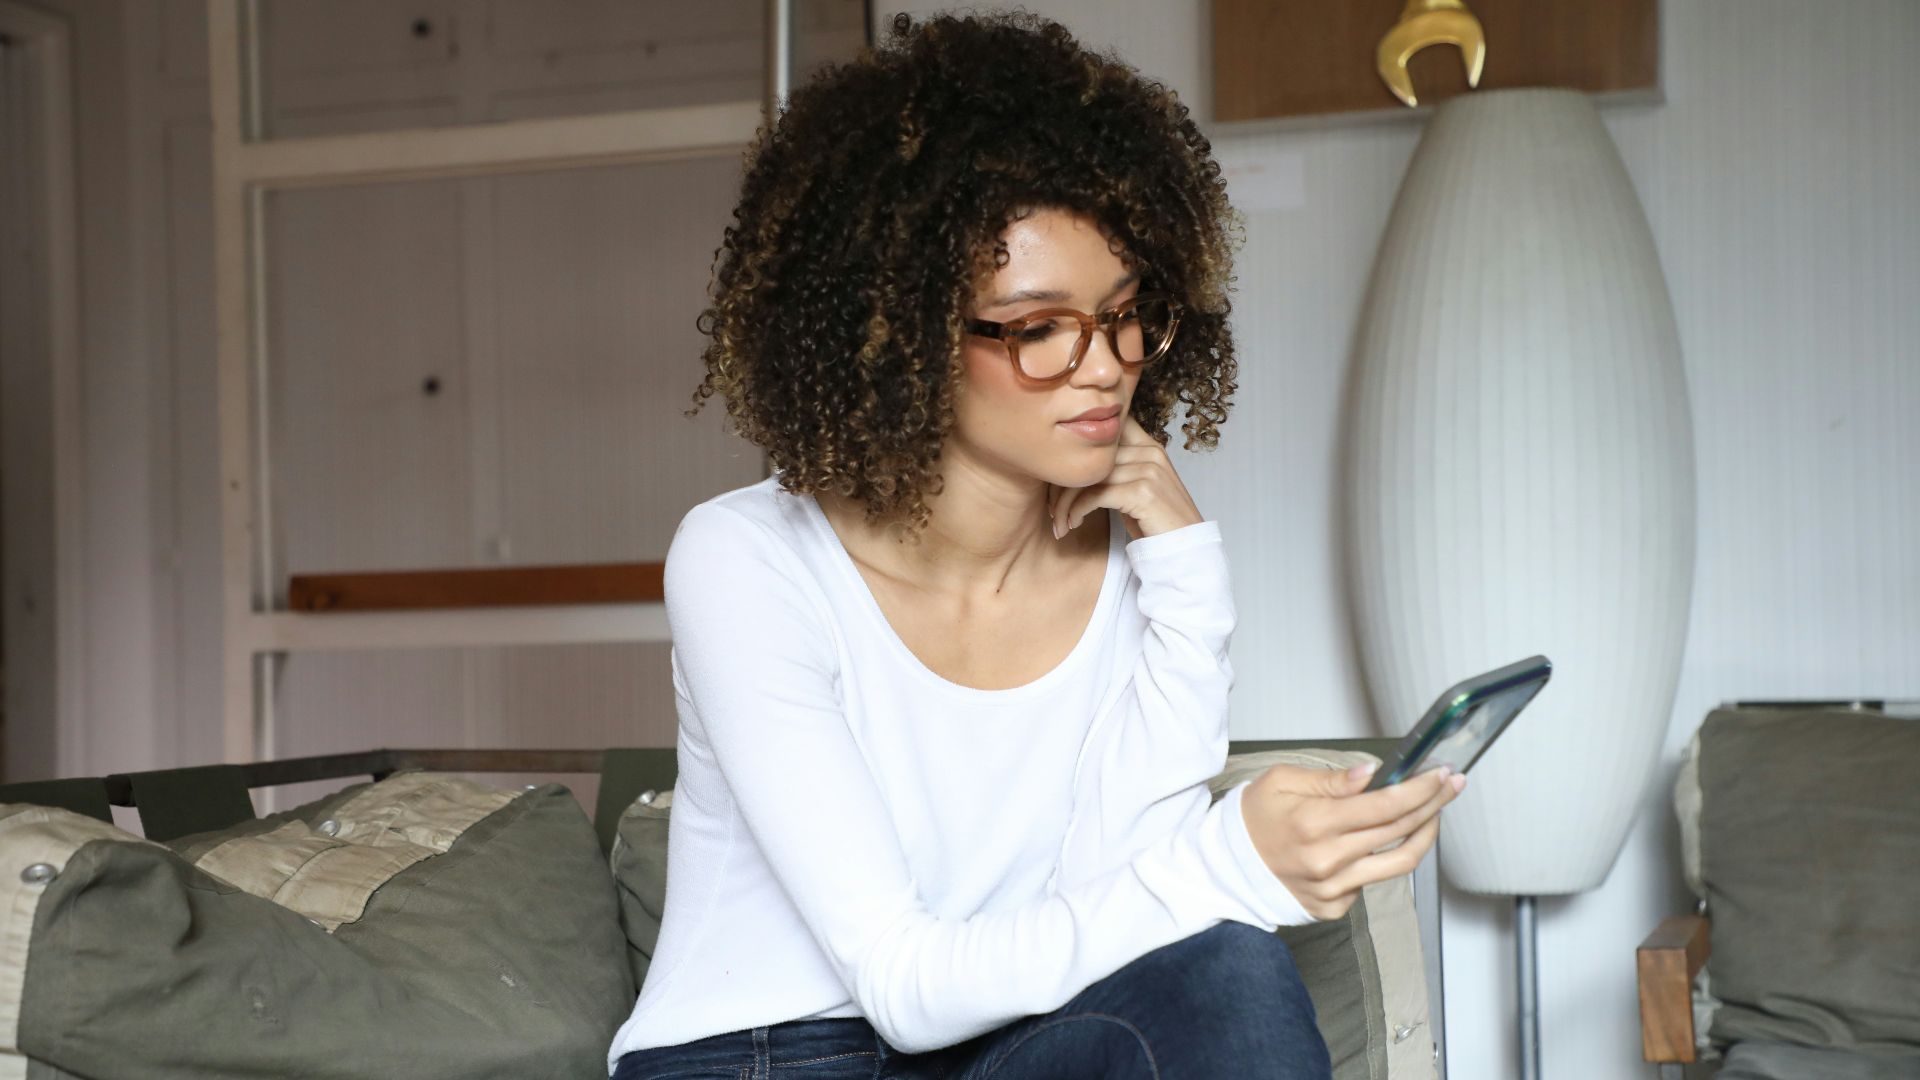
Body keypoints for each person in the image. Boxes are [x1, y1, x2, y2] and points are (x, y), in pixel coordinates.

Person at [605, 11, 1463, 1080]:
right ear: (905, 335)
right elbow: (905, 987)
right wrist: (1235, 855)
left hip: (992, 1044)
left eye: (1123, 315)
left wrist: (1190, 574)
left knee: (1227, 967)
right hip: (763, 1058)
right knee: (1219, 921)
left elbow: (1123, 910)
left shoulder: (1123, 564)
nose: (1105, 366)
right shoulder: (744, 560)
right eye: (1041, 328)